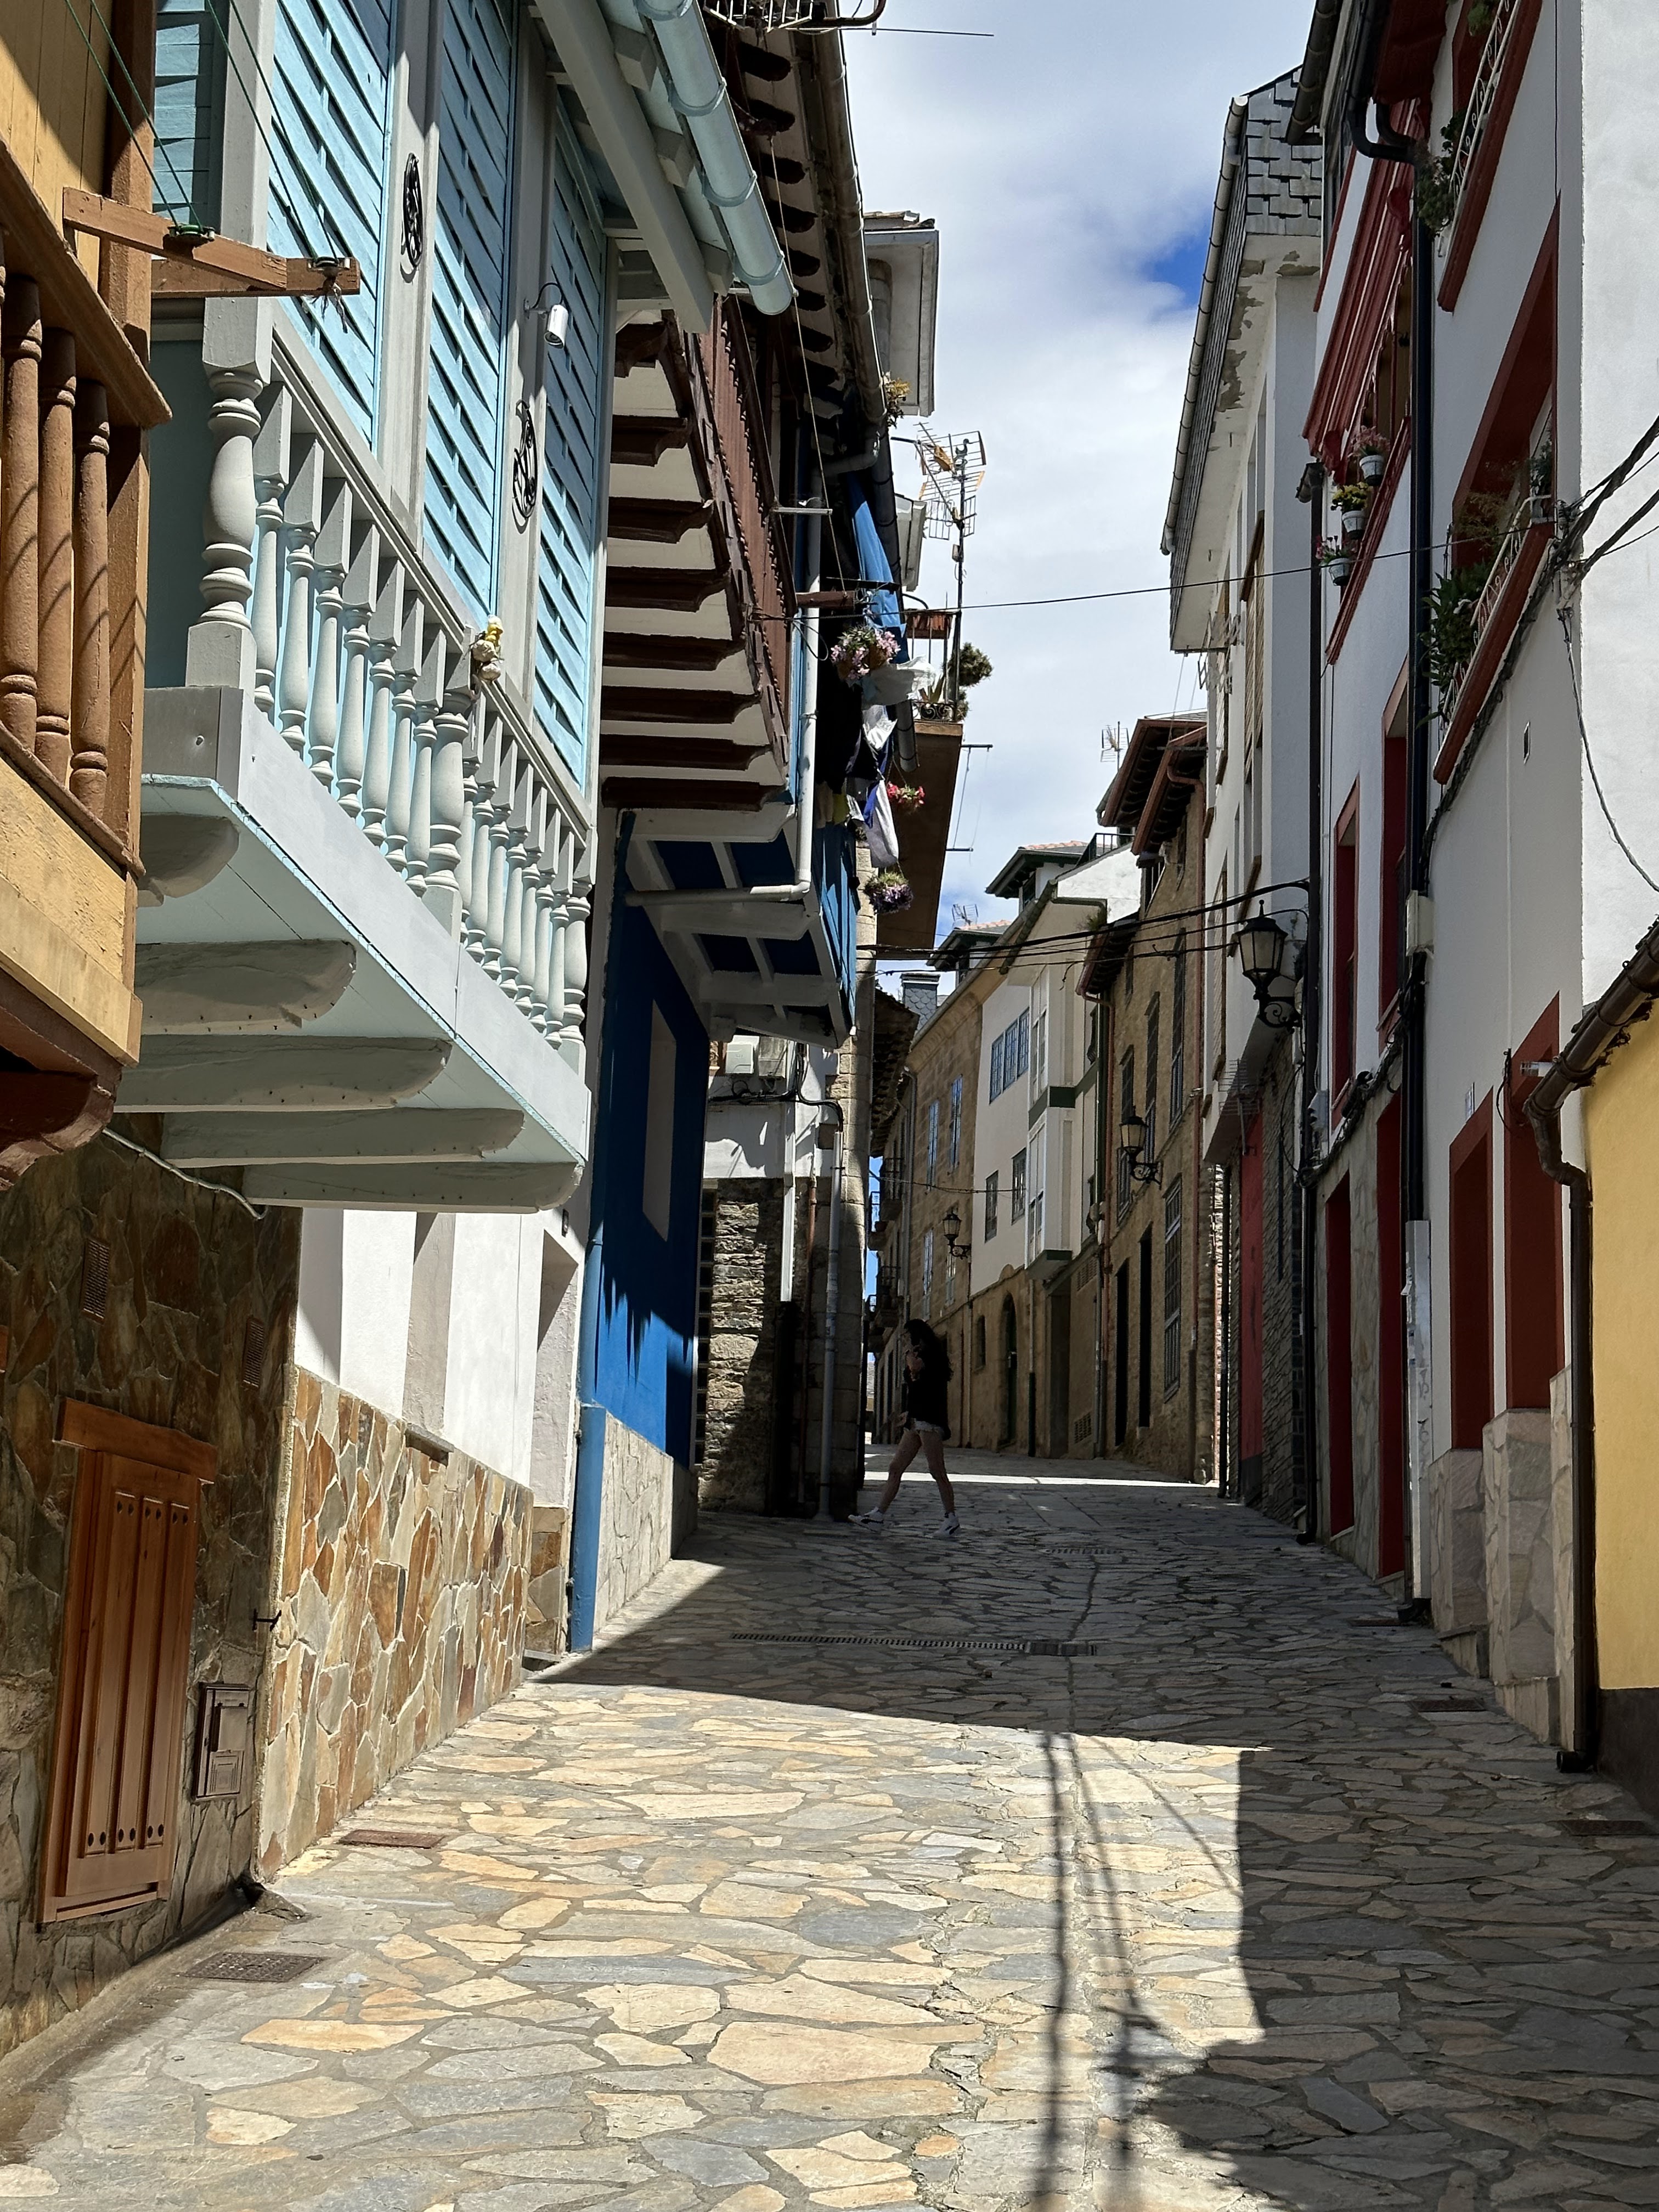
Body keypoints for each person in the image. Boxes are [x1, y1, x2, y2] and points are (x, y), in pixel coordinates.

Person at [854, 1321, 959, 1538]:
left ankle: (951, 1519)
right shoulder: (920, 1355)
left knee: (937, 1470)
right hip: (916, 1421)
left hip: (929, 1422)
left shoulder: (928, 1356)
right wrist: (908, 1414)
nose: (903, 1340)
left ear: (916, 1336)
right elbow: (919, 1390)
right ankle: (878, 1515)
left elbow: (915, 1369)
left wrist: (910, 1352)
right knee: (895, 1467)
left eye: (906, 1336)